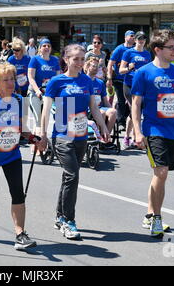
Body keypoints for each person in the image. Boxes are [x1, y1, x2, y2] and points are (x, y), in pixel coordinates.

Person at [131, 29, 174, 237]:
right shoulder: (143, 73)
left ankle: (149, 214)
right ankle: (157, 218)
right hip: (152, 130)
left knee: (161, 176)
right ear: (157, 49)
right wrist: (137, 131)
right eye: (171, 47)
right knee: (160, 172)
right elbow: (136, 104)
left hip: (172, 131)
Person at [38, 44, 110, 240]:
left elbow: (93, 107)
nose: (79, 63)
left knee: (68, 178)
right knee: (72, 176)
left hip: (80, 136)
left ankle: (60, 217)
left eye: (81, 59)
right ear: (66, 60)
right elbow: (45, 110)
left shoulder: (87, 81)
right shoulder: (56, 82)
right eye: (75, 59)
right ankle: (69, 221)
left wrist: (103, 127)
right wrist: (43, 135)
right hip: (62, 136)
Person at [0, 62, 40, 250]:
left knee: (18, 192)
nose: (11, 83)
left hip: (11, 154)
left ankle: (20, 233)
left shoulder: (19, 101)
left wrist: (33, 137)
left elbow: (22, 129)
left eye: (12, 79)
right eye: (6, 80)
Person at [119, 31, 152, 149]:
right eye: (139, 38)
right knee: (135, 110)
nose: (141, 40)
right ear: (135, 40)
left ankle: (132, 137)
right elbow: (121, 70)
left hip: (142, 86)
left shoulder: (147, 54)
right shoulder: (128, 52)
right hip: (129, 85)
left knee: (136, 112)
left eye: (143, 38)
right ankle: (129, 137)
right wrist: (129, 68)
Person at [27, 38, 61, 137]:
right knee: (38, 121)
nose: (46, 47)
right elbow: (31, 77)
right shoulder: (35, 59)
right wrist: (37, 91)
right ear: (40, 48)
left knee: (45, 121)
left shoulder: (55, 60)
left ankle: (39, 145)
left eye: (48, 46)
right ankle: (38, 147)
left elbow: (58, 78)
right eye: (44, 46)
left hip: (49, 95)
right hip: (35, 94)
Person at [107, 30, 136, 129]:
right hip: (119, 79)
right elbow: (110, 64)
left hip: (131, 80)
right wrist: (109, 78)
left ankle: (126, 116)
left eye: (134, 36)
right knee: (121, 100)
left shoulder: (135, 50)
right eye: (131, 36)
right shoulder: (119, 49)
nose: (133, 38)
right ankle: (121, 122)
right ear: (126, 37)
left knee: (132, 102)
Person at [84, 57, 117, 141]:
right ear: (87, 67)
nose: (96, 68)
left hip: (100, 107)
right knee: (101, 112)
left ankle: (106, 137)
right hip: (88, 109)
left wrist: (111, 108)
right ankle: (99, 137)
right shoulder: (83, 81)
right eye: (94, 66)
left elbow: (105, 101)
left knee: (113, 112)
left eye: (97, 66)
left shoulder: (100, 82)